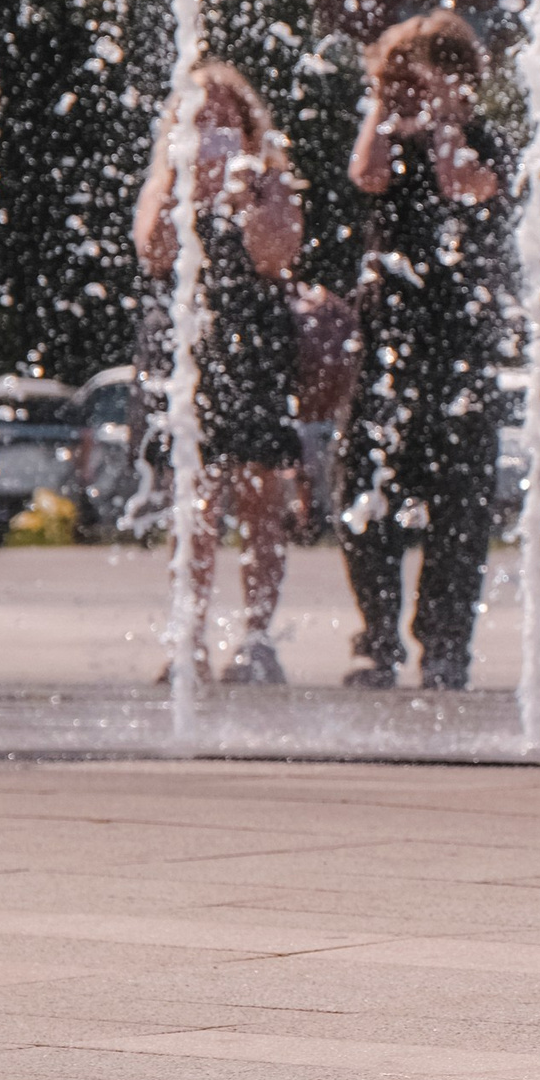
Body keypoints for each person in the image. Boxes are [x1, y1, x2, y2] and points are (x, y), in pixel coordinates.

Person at [339, 10, 511, 691]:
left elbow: (459, 185)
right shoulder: (390, 133)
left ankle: (444, 645)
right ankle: (376, 637)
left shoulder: (482, 139)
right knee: (362, 485)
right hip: (389, 335)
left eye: (427, 72)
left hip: (462, 341)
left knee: (460, 501)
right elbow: (366, 175)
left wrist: (444, 115)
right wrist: (385, 101)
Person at [130, 61, 305, 684]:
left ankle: (258, 639)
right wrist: (186, 189)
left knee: (261, 497)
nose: (212, 130)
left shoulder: (270, 181)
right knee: (195, 500)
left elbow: (275, 256)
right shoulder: (167, 181)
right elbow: (153, 253)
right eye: (200, 119)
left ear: (246, 124)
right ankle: (190, 638)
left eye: (224, 118)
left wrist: (250, 199)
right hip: (186, 351)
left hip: (254, 343)